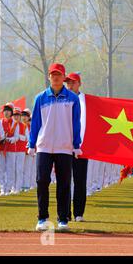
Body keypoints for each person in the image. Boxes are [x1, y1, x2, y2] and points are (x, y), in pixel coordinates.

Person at [29, 63, 82, 231]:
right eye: (53, 74)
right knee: (42, 181)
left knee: (64, 183)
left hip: (64, 147)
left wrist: (76, 144)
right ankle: (42, 218)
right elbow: (35, 123)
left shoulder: (73, 99)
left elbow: (76, 123)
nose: (56, 77)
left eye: (58, 74)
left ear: (63, 76)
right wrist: (31, 144)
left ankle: (63, 219)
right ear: (49, 77)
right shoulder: (40, 98)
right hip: (44, 146)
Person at [65, 72, 89, 221]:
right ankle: (65, 212)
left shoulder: (86, 100)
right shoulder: (62, 99)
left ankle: (78, 213)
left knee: (80, 180)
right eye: (68, 82)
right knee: (65, 180)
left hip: (81, 145)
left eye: (72, 82)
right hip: (65, 145)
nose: (69, 85)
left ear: (79, 83)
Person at [0, 102, 18, 196]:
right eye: (5, 110)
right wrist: (1, 138)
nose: (6, 112)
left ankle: (8, 188)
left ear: (11, 113)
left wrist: (10, 139)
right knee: (1, 168)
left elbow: (16, 137)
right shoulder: (0, 122)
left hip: (11, 148)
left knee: (10, 168)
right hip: (1, 148)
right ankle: (2, 189)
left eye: (8, 111)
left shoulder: (14, 123)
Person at [21, 108, 34, 191]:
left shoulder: (31, 126)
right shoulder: (20, 125)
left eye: (26, 116)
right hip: (21, 150)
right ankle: (22, 185)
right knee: (21, 168)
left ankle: (27, 185)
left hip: (28, 150)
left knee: (28, 168)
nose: (24, 117)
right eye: (23, 115)